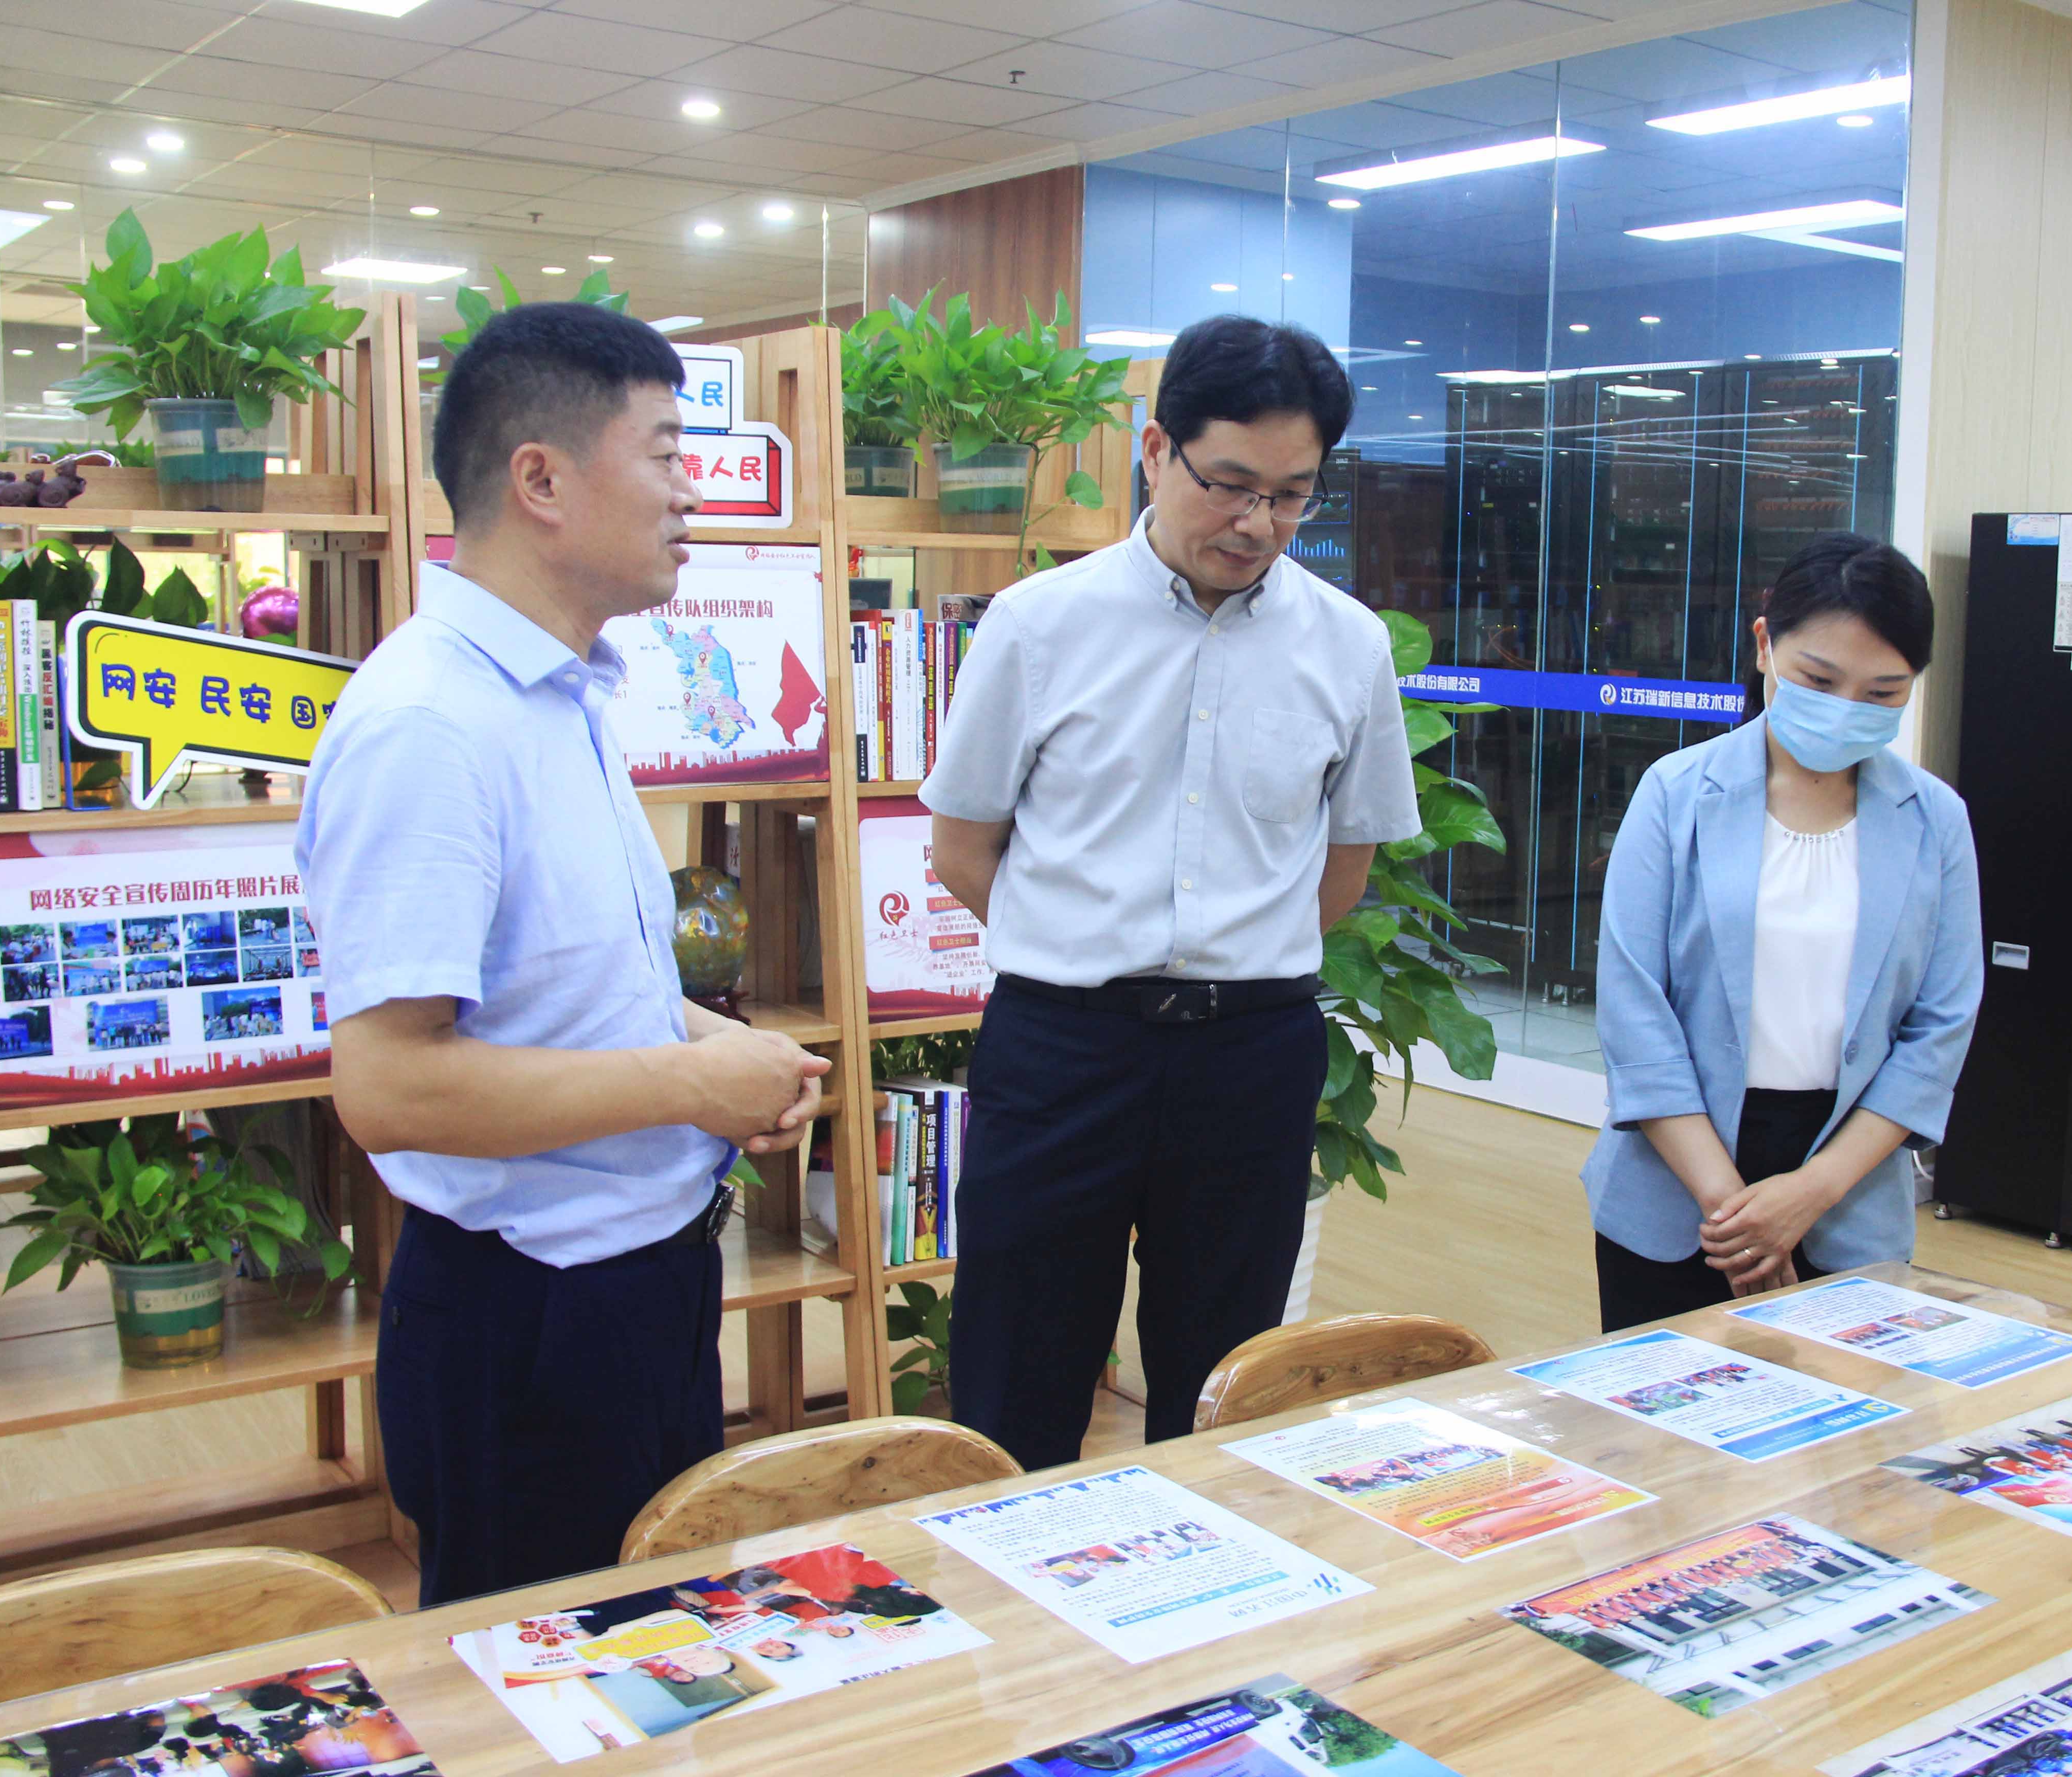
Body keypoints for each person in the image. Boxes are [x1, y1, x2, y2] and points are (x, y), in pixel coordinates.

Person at [298, 302, 829, 1604]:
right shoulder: (432, 725)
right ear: (540, 480)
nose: (691, 493)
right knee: (542, 1676)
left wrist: (721, 1051)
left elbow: (572, 985)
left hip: (634, 1286)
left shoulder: (565, 688)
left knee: (657, 1653)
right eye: (664, 455)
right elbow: (392, 1085)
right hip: (527, 1319)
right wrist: (691, 1084)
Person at [923, 314, 1421, 1469]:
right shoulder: (1041, 624)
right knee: (1017, 1372)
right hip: (1062, 1049)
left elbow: (1344, 864)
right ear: (1156, 451)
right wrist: (1080, 947)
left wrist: (1228, 960)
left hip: (1250, 1056)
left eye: (1291, 496)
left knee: (1223, 1387)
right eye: (1230, 485)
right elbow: (963, 849)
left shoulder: (1348, 646)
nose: (1257, 524)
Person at [1585, 533, 1982, 1331]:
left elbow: (1940, 1026)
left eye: (1883, 693)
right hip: (1677, 1186)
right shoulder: (1675, 794)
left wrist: (1809, 1194)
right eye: (1820, 681)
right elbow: (1635, 1012)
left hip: (1848, 1187)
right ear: (1765, 644)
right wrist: (1735, 1214)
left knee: (1845, 1405)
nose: (1847, 709)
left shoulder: (1935, 818)